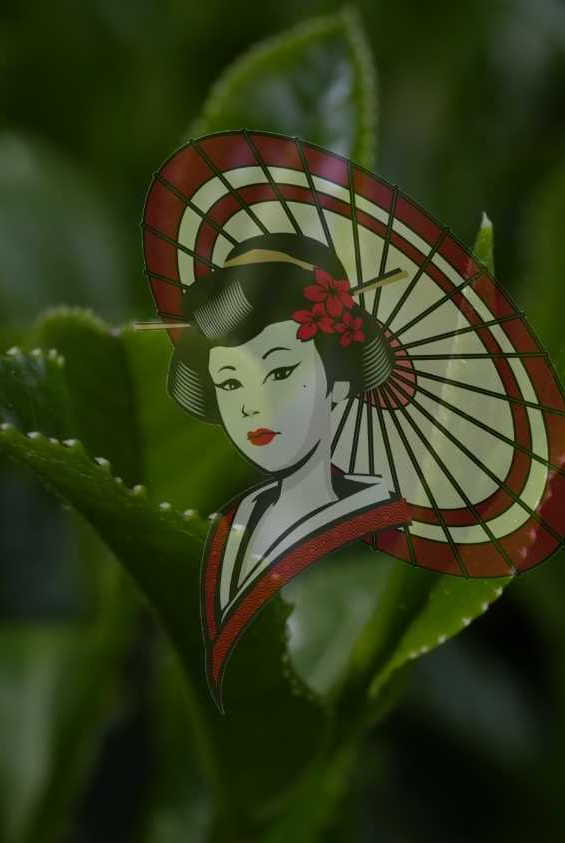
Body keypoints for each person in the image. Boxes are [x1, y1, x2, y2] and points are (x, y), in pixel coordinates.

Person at [165, 232, 412, 707]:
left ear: (338, 382)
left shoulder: (380, 521)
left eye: (280, 373)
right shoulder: (235, 519)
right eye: (232, 382)